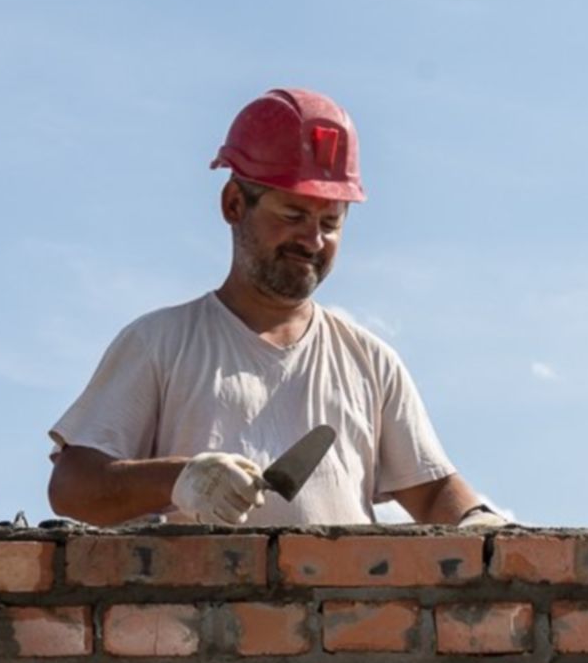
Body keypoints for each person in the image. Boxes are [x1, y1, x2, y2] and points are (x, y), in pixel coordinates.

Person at [46, 87, 504, 528]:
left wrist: (479, 523)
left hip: (338, 608)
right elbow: (73, 488)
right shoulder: (159, 344)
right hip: (194, 608)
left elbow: (430, 490)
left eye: (330, 222)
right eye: (292, 215)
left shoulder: (370, 361)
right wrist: (180, 479)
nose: (313, 240)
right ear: (233, 204)